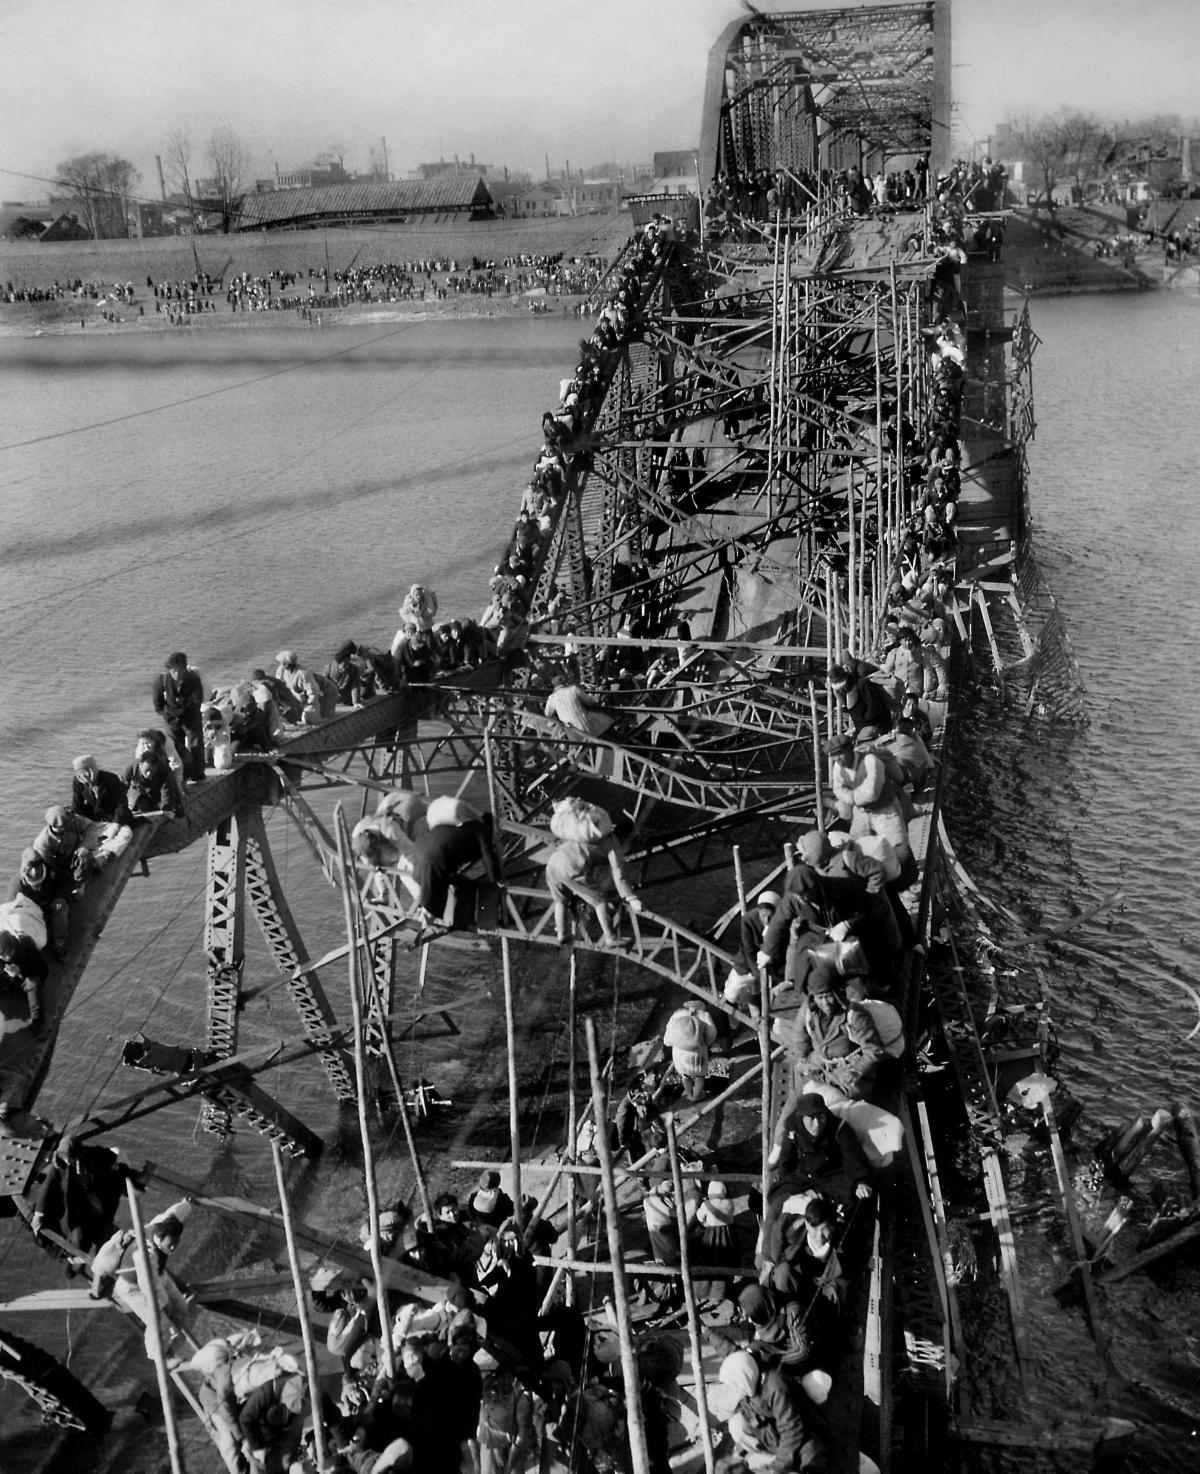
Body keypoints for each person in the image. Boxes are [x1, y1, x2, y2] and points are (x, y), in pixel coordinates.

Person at [545, 801, 641, 947]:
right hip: (572, 866)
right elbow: (618, 875)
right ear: (626, 839)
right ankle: (610, 938)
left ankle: (562, 933)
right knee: (600, 901)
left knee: (561, 900)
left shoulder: (593, 834)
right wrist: (631, 897)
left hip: (553, 862)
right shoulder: (613, 845)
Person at [769, 1091, 874, 1212]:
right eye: (811, 1118)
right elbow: (786, 1157)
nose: (817, 1123)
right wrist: (786, 1181)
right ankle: (809, 1201)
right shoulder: (793, 1127)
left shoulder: (839, 1128)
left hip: (830, 1176)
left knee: (853, 1198)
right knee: (775, 1195)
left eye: (820, 1117)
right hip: (804, 1176)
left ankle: (821, 1204)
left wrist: (861, 1181)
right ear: (802, 1117)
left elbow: (853, 1157)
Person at [827, 732, 911, 861]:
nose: (837, 758)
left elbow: (871, 792)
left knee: (899, 851)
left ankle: (902, 874)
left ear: (850, 750)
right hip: (862, 812)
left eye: (840, 753)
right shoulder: (838, 768)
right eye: (833, 755)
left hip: (885, 809)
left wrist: (851, 798)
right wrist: (849, 798)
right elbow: (838, 789)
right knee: (857, 849)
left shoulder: (870, 760)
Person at [69, 755, 134, 867]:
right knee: (88, 837)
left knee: (126, 834)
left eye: (86, 771)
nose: (84, 775)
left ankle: (104, 856)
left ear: (92, 769)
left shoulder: (111, 779)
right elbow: (77, 805)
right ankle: (82, 860)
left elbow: (121, 804)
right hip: (94, 820)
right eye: (80, 773)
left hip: (112, 818)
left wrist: (116, 824)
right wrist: (77, 824)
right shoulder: (78, 782)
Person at [152, 651, 206, 782]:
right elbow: (158, 702)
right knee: (174, 746)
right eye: (174, 671)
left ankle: (198, 772)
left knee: (196, 743)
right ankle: (180, 775)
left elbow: (197, 700)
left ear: (185, 668)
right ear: (169, 669)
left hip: (191, 717)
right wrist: (168, 713)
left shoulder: (193, 679)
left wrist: (184, 711)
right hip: (171, 719)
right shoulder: (162, 680)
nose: (177, 674)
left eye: (180, 670)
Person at [8, 847, 71, 959]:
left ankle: (59, 943)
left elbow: (65, 882)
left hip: (49, 906)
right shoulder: (16, 884)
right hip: (30, 913)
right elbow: (11, 910)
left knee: (62, 907)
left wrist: (60, 897)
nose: (35, 872)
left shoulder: (52, 872)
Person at [662, 1002, 717, 1102]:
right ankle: (696, 1096)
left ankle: (689, 1095)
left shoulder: (677, 1015)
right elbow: (712, 1033)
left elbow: (668, 1036)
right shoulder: (704, 1015)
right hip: (698, 1053)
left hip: (680, 1053)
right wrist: (706, 1043)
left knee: (685, 1075)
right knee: (700, 1076)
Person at [0, 928, 47, 1032]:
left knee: (33, 983)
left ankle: (37, 1022)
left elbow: (42, 968)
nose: (3, 958)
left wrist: (21, 970)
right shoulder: (1, 957)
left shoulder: (25, 943)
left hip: (27, 977)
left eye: (4, 954)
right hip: (9, 981)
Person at [544, 674, 614, 739]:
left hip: (572, 734)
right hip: (586, 726)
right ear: (564, 682)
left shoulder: (552, 698)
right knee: (607, 720)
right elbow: (589, 701)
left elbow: (547, 714)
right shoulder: (573, 689)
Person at [124, 750, 185, 818]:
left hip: (158, 790)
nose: (149, 773)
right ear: (140, 765)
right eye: (147, 770)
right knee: (140, 806)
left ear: (156, 766)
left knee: (174, 809)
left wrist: (167, 809)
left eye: (152, 770)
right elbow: (121, 787)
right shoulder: (130, 768)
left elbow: (167, 789)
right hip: (139, 788)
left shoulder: (164, 769)